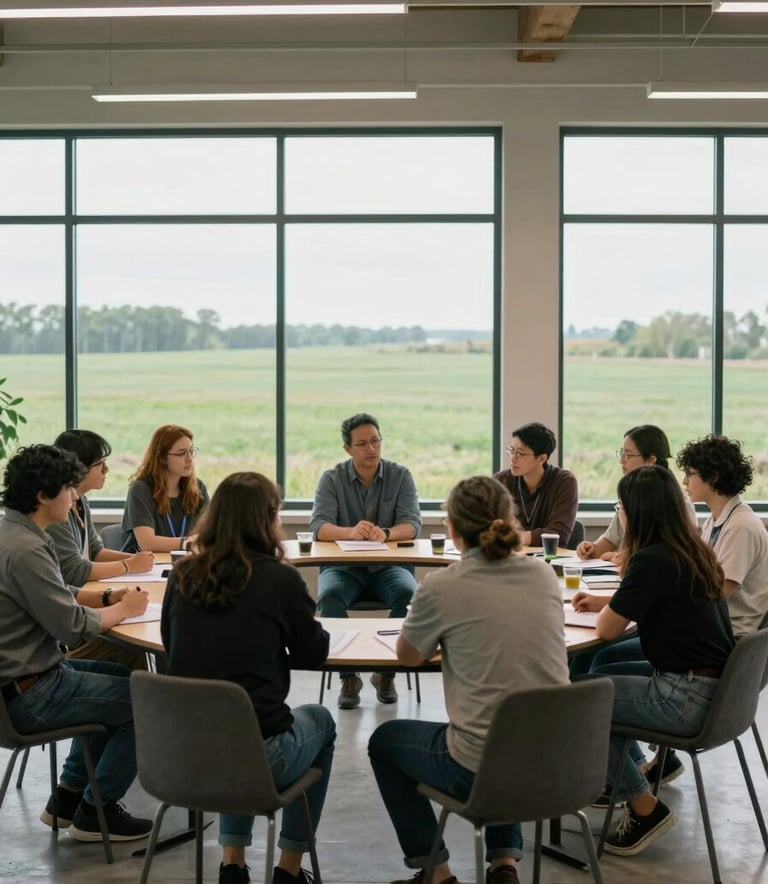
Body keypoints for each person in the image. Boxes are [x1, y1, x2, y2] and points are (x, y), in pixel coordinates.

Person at [368, 475, 569, 884]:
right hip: (559, 760)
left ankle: (437, 875)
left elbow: (408, 656)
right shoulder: (544, 575)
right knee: (508, 713)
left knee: (384, 743)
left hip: (481, 769)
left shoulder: (443, 586)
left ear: (453, 529)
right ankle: (504, 865)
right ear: (509, 521)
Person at [161, 472, 335, 884]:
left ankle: (233, 865)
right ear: (268, 519)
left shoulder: (182, 575)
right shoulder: (278, 579)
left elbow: (172, 646)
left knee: (230, 723)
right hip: (260, 758)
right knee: (321, 722)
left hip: (183, 755)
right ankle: (289, 870)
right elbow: (313, 652)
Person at [572, 465, 734, 856]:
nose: (619, 513)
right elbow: (648, 605)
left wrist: (610, 605)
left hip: (684, 698)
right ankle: (627, 775)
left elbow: (609, 630)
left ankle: (645, 808)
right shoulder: (690, 549)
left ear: (638, 511)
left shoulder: (652, 559)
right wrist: (610, 601)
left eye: (621, 506)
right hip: (713, 690)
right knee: (601, 672)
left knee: (581, 700)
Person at [0, 444, 153, 841]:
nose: (74, 495)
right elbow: (71, 627)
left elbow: (55, 590)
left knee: (121, 677)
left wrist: (105, 598)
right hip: (31, 692)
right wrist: (126, 608)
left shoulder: (12, 533)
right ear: (42, 496)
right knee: (147, 703)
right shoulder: (28, 549)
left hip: (24, 681)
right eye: (69, 488)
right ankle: (95, 811)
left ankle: (67, 799)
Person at [310, 412, 421, 710]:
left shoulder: (401, 475)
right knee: (329, 596)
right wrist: (351, 531)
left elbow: (412, 524)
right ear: (347, 448)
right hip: (343, 569)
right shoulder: (332, 478)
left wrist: (384, 533)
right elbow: (319, 527)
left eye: (376, 441)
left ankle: (387, 673)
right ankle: (349, 677)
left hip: (390, 568)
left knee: (408, 595)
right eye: (362, 443)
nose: (371, 449)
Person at [47, 429, 155, 670]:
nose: (106, 470)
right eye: (100, 464)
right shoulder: (56, 514)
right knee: (132, 647)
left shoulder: (80, 501)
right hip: (63, 644)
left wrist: (136, 560)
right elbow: (75, 571)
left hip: (76, 612)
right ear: (78, 469)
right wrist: (129, 567)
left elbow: (95, 550)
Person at [678, 434, 768, 635]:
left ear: (713, 476)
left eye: (690, 474)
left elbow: (716, 592)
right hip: (713, 628)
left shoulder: (741, 526)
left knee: (613, 654)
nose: (684, 481)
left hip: (729, 637)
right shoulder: (716, 519)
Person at [577, 425, 675, 563]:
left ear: (651, 461)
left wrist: (623, 557)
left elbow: (665, 554)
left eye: (628, 455)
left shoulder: (675, 499)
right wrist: (592, 548)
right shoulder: (629, 493)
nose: (622, 461)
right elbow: (610, 540)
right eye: (622, 454)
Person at [122, 423, 209, 553]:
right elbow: (147, 543)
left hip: (186, 564)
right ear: (162, 458)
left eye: (191, 451)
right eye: (182, 453)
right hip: (146, 568)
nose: (189, 459)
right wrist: (187, 543)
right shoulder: (141, 489)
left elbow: (211, 533)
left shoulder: (198, 488)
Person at [493, 422, 577, 547]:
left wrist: (519, 537)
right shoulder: (501, 480)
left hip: (548, 561)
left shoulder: (564, 481)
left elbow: (559, 534)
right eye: (511, 451)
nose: (512, 459)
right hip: (508, 557)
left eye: (520, 454)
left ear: (541, 459)